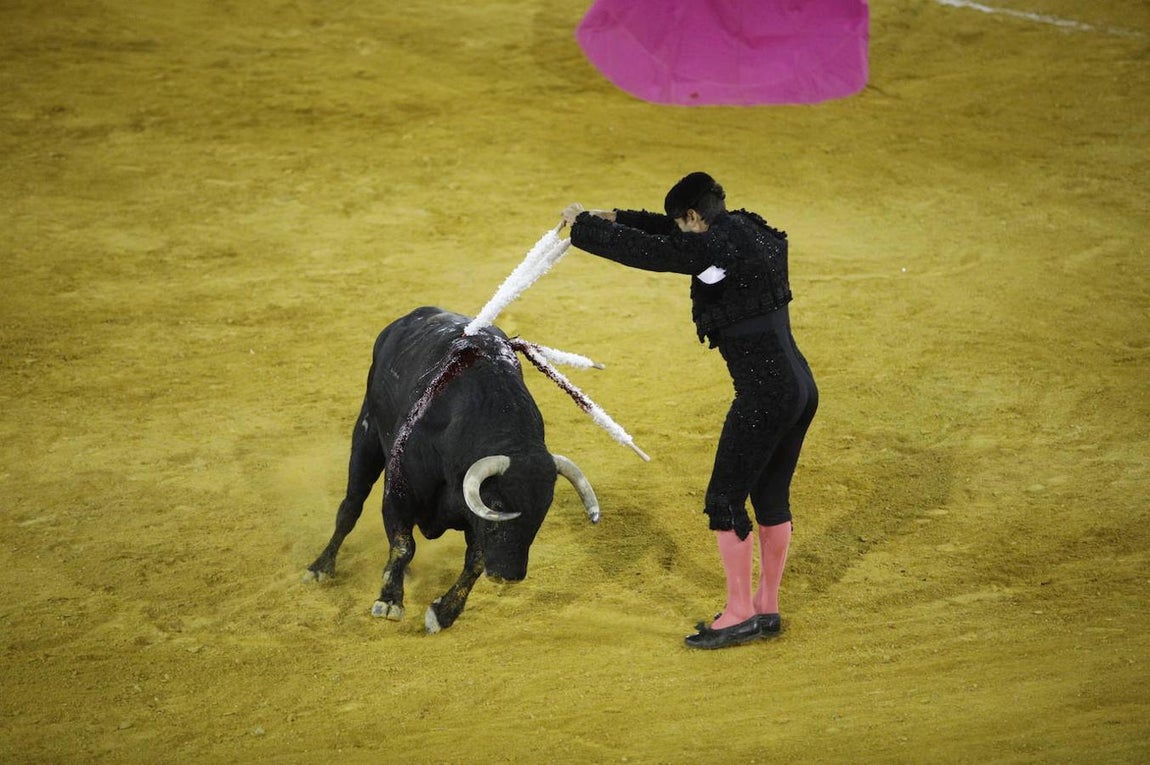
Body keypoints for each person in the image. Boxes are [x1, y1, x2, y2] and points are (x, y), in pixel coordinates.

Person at [560, 172, 818, 649]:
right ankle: (766, 606)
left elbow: (658, 252)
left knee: (724, 501)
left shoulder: (709, 244)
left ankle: (739, 614)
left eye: (683, 222)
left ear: (694, 216)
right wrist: (615, 216)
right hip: (800, 388)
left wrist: (583, 229)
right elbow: (669, 233)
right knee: (771, 499)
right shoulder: (745, 229)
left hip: (764, 395)